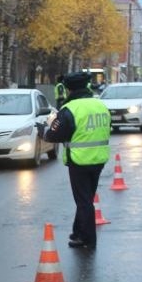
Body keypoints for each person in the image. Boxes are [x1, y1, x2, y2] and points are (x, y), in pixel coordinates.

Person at [40, 71, 111, 250]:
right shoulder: (100, 105)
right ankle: (78, 232)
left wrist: (44, 131)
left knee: (83, 201)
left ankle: (88, 239)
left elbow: (56, 135)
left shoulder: (70, 109)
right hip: (99, 158)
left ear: (69, 89)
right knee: (86, 198)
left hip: (79, 160)